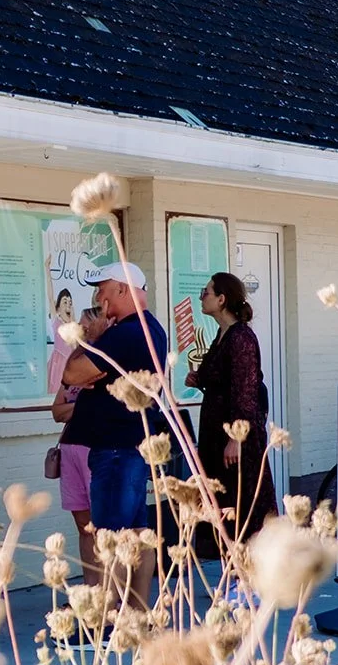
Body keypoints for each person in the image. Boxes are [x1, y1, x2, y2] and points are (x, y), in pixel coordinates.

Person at [61, 262, 170, 615]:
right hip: (131, 447)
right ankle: (136, 614)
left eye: (103, 289)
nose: (98, 297)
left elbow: (71, 373)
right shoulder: (148, 328)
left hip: (116, 450)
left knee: (110, 536)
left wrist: (90, 341)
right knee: (137, 532)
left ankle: (108, 622)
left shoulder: (125, 333)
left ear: (123, 289)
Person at [185, 273, 277, 597]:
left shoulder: (241, 339)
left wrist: (236, 437)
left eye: (206, 292)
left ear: (222, 298)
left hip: (236, 438)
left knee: (242, 506)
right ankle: (235, 576)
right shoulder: (221, 336)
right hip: (216, 433)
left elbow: (246, 392)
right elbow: (219, 378)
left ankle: (249, 580)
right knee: (222, 505)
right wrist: (198, 378)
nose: (201, 297)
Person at [51, 305, 111, 587]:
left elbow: (98, 405)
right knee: (84, 527)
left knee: (103, 526)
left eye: (88, 327)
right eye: (81, 328)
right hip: (70, 447)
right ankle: (91, 588)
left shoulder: (104, 361)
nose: (83, 332)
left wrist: (75, 407)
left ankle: (109, 590)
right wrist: (81, 405)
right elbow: (56, 412)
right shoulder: (75, 361)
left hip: (94, 448)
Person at [46, 287, 77, 393]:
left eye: (70, 302)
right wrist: (47, 271)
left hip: (70, 365)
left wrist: (72, 321)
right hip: (58, 364)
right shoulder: (57, 323)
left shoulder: (74, 327)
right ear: (58, 308)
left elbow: (76, 348)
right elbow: (50, 297)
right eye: (65, 302)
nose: (68, 304)